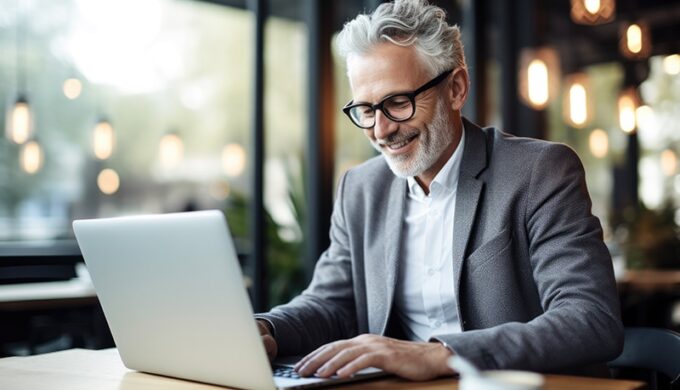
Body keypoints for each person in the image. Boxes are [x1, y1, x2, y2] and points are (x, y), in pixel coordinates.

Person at [256, 0, 623, 381]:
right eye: (366, 110)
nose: (381, 131)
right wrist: (267, 330)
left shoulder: (539, 172)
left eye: (398, 102)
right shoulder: (360, 189)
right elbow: (329, 304)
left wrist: (441, 355)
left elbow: (590, 320)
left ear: (456, 89)